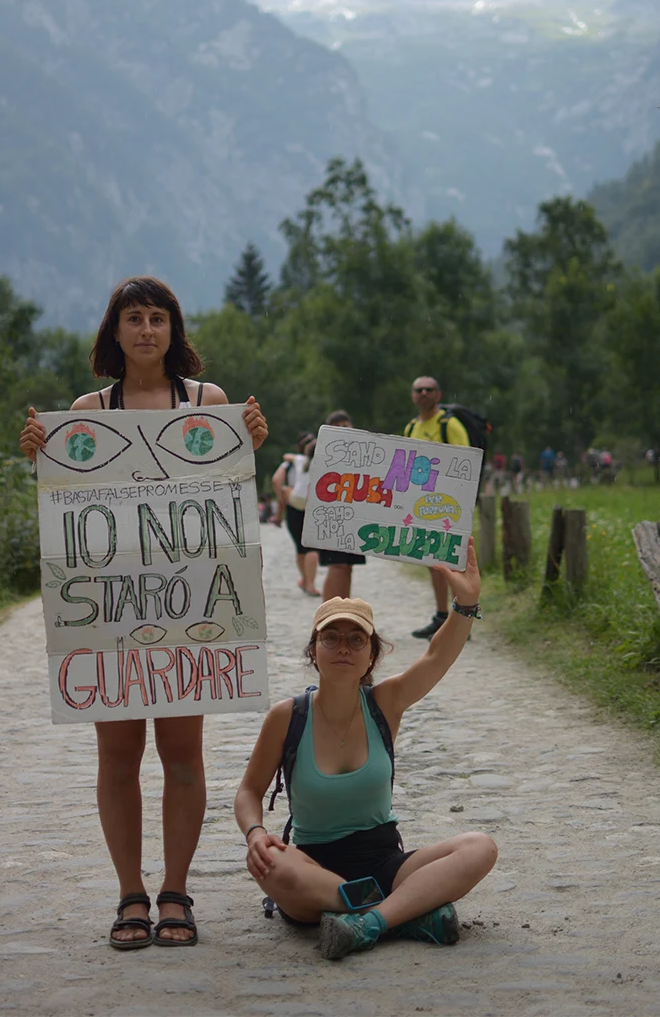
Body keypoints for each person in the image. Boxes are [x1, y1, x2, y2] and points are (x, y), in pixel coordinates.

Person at [19, 277, 268, 951]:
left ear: (174, 330)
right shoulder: (88, 409)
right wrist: (41, 452)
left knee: (182, 754)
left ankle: (176, 891)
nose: (146, 330)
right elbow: (70, 504)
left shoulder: (208, 403)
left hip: (190, 611)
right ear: (115, 331)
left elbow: (227, 488)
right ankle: (130, 891)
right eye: (134, 318)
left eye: (157, 318)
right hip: (111, 614)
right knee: (118, 754)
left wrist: (251, 438)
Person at [234, 539, 497, 961]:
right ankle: (407, 913)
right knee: (276, 869)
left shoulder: (384, 703)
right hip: (314, 870)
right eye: (331, 637)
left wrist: (465, 603)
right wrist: (256, 834)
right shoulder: (287, 716)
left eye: (357, 640)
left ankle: (369, 921)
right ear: (313, 651)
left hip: (387, 864)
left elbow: (435, 657)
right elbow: (248, 792)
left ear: (372, 655)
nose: (343, 647)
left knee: (480, 846)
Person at [403, 377, 470, 640]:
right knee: (433, 562)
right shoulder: (410, 427)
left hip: (451, 505)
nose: (423, 393)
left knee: (453, 562)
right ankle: (442, 617)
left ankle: (461, 621)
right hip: (423, 505)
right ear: (412, 396)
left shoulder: (449, 425)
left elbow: (467, 460)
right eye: (418, 389)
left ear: (438, 394)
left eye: (429, 389)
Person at [319, 410, 366, 602]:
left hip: (353, 516)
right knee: (337, 565)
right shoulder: (324, 450)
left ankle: (342, 609)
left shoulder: (361, 452)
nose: (342, 429)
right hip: (331, 515)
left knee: (347, 567)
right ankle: (328, 614)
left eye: (345, 425)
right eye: (336, 425)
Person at [273, 433, 321, 597]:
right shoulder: (322, 463)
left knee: (301, 548)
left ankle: (304, 579)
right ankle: (310, 583)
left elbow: (276, 480)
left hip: (294, 503)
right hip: (312, 504)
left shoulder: (298, 461)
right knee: (312, 547)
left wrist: (281, 501)